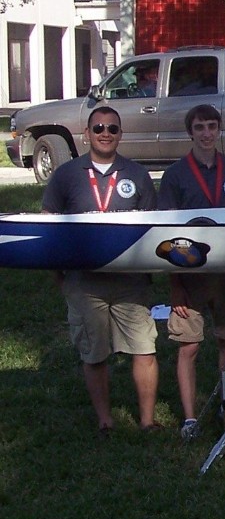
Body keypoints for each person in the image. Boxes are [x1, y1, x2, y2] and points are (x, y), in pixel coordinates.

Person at [42, 107, 160, 434]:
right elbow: (48, 221)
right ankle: (105, 420)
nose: (105, 133)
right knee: (94, 354)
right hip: (84, 282)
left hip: (130, 282)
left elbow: (153, 225)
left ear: (120, 134)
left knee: (145, 348)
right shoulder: (67, 174)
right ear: (87, 134)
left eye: (112, 128)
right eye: (98, 128)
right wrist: (59, 275)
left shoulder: (136, 174)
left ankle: (148, 420)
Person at [157, 104, 225, 440]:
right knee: (189, 346)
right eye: (200, 127)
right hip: (190, 276)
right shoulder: (176, 175)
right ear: (190, 132)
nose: (207, 133)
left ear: (219, 129)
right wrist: (175, 287)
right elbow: (163, 235)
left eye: (212, 126)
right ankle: (190, 417)